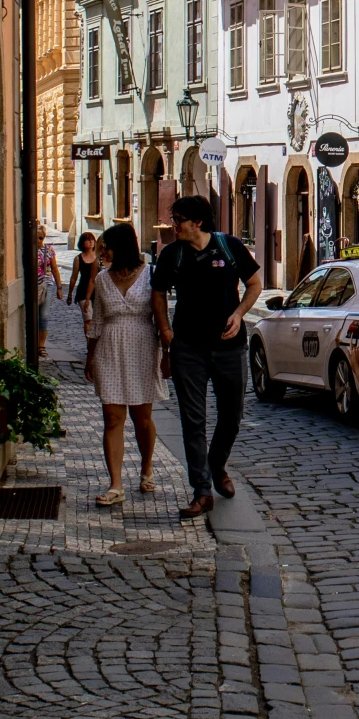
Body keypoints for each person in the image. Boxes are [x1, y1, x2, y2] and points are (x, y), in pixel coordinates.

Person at [151, 194, 261, 520]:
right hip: (188, 348)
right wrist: (165, 332)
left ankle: (217, 464)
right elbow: (157, 294)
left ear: (197, 222)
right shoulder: (173, 254)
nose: (174, 226)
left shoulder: (229, 247)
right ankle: (201, 491)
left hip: (230, 347)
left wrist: (240, 313)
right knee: (192, 420)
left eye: (179, 220)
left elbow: (254, 284)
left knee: (232, 415)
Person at [82, 221, 165, 506]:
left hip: (142, 346)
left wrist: (166, 353)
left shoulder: (151, 274)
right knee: (112, 418)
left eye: (108, 248)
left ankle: (146, 467)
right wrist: (90, 356)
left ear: (122, 248)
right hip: (110, 348)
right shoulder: (103, 279)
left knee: (142, 418)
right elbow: (98, 320)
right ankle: (116, 484)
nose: (103, 253)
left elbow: (160, 316)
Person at [35, 221, 62, 347]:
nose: (39, 240)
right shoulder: (29, 250)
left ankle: (41, 345)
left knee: (44, 315)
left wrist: (59, 287)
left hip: (47, 284)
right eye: (36, 238)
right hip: (33, 285)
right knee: (33, 314)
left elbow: (55, 269)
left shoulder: (49, 250)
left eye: (41, 238)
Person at [68, 232, 100, 309]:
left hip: (98, 291)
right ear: (82, 243)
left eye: (92, 240)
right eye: (88, 240)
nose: (91, 242)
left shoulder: (100, 257)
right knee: (88, 319)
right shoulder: (78, 259)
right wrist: (70, 293)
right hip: (83, 290)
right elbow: (74, 277)